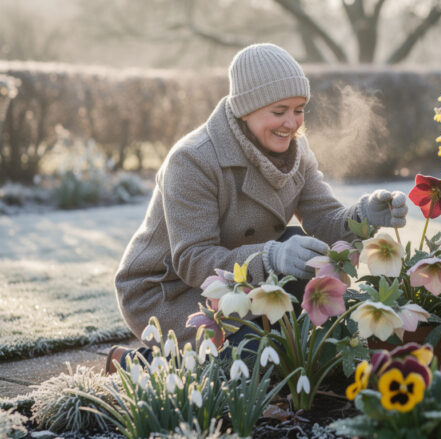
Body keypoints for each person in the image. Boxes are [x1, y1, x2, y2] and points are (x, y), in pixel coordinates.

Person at [106, 43, 407, 373]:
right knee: (254, 356)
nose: (292, 123)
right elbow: (192, 259)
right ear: (245, 110)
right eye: (279, 112)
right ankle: (136, 362)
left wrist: (365, 214)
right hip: (169, 291)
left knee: (313, 341)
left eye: (299, 109)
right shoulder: (193, 159)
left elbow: (323, 219)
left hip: (243, 279)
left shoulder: (298, 151)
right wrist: (271, 257)